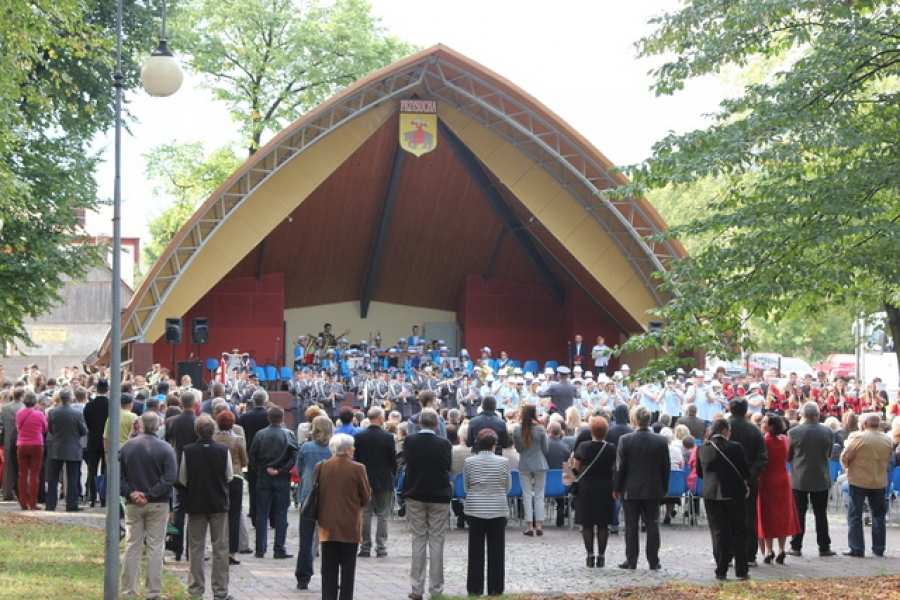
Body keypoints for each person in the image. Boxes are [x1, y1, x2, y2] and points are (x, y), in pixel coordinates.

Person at [120, 412, 177, 600]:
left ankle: (129, 591)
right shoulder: (166, 448)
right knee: (155, 547)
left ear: (141, 425)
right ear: (158, 426)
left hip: (133, 503)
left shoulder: (127, 447)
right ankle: (153, 592)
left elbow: (118, 476)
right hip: (158, 503)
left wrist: (132, 493)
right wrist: (150, 494)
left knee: (132, 546)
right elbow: (169, 478)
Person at [401, 408, 453, 600]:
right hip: (439, 495)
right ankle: (436, 589)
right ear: (437, 425)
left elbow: (407, 462)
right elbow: (447, 466)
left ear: (419, 423)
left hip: (415, 493)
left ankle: (417, 588)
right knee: (437, 540)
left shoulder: (410, 441)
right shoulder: (444, 443)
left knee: (418, 539)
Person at [180, 415, 233, 600]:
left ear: (196, 431)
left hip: (196, 502)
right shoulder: (223, 450)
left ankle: (196, 589)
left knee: (196, 548)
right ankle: (220, 590)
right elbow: (229, 476)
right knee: (221, 548)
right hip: (218, 503)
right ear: (214, 430)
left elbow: (183, 478)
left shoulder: (188, 451)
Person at [612, 405, 669, 570]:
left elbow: (621, 467)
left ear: (634, 420)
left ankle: (631, 560)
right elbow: (665, 467)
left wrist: (617, 487)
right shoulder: (660, 440)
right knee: (652, 524)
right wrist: (665, 487)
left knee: (631, 525)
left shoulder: (626, 440)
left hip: (631, 488)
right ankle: (654, 560)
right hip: (653, 488)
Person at [696, 418, 751, 581]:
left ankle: (721, 569)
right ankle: (741, 569)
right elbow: (745, 472)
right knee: (739, 530)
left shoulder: (702, 448)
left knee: (718, 531)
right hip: (734, 493)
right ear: (725, 430)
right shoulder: (735, 447)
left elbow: (699, 473)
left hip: (711, 493)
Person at [317, 433, 371, 600]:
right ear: (347, 450)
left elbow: (317, 492)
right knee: (348, 568)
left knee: (328, 567)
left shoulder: (321, 466)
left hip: (327, 524)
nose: (354, 449)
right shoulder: (358, 468)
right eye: (352, 447)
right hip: (349, 523)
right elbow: (366, 496)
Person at [464, 428, 511, 597]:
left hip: (475, 507)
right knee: (497, 551)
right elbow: (507, 486)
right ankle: (495, 588)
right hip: (497, 507)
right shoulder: (503, 462)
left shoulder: (470, 462)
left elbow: (466, 486)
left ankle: (474, 588)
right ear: (494, 445)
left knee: (475, 550)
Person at [787, 401, 837, 557]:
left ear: (803, 415)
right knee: (821, 513)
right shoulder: (829, 432)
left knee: (799, 513)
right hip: (821, 477)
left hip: (800, 478)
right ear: (817, 414)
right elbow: (829, 454)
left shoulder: (793, 432)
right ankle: (824, 546)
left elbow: (788, 456)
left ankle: (796, 546)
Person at [840, 413, 893, 557]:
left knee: (855, 515)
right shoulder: (887, 439)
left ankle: (857, 548)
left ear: (864, 424)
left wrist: (848, 468)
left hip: (858, 480)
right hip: (878, 480)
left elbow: (845, 456)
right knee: (878, 515)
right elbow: (888, 458)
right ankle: (879, 547)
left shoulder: (858, 438)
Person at [248, 406, 298, 559]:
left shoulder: (260, 434)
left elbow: (252, 454)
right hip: (281, 477)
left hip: (264, 475)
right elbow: (294, 455)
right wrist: (282, 470)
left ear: (268, 418)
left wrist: (260, 469)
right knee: (281, 513)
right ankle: (279, 548)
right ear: (282, 418)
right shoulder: (288, 434)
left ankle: (260, 548)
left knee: (261, 513)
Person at [726, 397, 768, 566]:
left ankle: (727, 554)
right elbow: (762, 457)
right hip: (749, 480)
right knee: (749, 517)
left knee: (726, 517)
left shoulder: (722, 427)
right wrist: (750, 476)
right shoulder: (754, 430)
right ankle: (749, 555)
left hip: (726, 479)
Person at [294, 416, 334, 590]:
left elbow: (299, 470)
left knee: (306, 539)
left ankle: (303, 577)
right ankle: (330, 577)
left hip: (308, 496)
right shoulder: (335, 449)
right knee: (331, 540)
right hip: (331, 498)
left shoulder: (306, 447)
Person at [354, 406, 398, 559]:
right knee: (382, 514)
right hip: (384, 479)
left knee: (365, 513)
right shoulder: (388, 437)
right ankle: (381, 547)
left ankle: (365, 546)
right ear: (380, 418)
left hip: (365, 479)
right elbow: (393, 460)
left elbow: (357, 459)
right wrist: (392, 473)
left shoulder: (359, 437)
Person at [572, 415, 616, 567]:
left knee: (587, 523)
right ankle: (601, 555)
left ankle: (590, 555)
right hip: (605, 488)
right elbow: (614, 468)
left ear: (591, 430)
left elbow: (575, 469)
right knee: (603, 524)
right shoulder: (611, 449)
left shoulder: (583, 447)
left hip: (586, 488)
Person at [756, 413, 800, 564]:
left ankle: (769, 550)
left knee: (767, 515)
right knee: (782, 515)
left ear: (770, 427)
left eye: (764, 423)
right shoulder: (785, 440)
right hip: (782, 479)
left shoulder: (764, 441)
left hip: (767, 480)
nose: (761, 424)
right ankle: (781, 548)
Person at [164, 390, 199, 561]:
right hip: (194, 471)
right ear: (196, 404)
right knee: (195, 512)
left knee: (178, 510)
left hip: (177, 469)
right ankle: (193, 549)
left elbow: (167, 444)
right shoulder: (198, 422)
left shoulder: (171, 422)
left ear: (181, 404)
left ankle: (177, 548)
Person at [212, 410, 248, 565]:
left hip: (217, 479)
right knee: (234, 516)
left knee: (217, 515)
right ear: (232, 424)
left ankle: (217, 548)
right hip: (235, 477)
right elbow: (245, 461)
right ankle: (232, 552)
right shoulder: (238, 439)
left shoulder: (213, 438)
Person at [45, 388, 88, 512]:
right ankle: (71, 504)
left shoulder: (52, 412)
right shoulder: (77, 414)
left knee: (53, 477)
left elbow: (50, 429)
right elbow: (84, 430)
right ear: (70, 399)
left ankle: (50, 504)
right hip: (73, 447)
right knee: (73, 477)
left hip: (57, 447)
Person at [513, 404, 549, 536]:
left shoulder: (517, 429)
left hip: (524, 464)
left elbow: (518, 449)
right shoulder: (540, 429)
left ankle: (529, 525)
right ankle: (539, 524)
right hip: (539, 463)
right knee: (539, 494)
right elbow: (545, 449)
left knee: (526, 494)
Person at [238, 389, 269, 535]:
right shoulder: (269, 416)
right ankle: (270, 515)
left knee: (253, 486)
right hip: (268, 454)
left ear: (253, 401)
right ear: (265, 401)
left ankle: (254, 512)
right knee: (268, 486)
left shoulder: (245, 417)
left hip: (251, 454)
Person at [15, 391, 47, 510]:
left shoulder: (19, 413)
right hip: (36, 444)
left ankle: (23, 502)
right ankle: (33, 502)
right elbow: (45, 428)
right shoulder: (39, 414)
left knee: (22, 474)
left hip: (22, 444)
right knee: (34, 474)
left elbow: (18, 427)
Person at [1, 387, 24, 501]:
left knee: (8, 468)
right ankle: (22, 492)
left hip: (8, 439)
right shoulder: (24, 407)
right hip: (22, 440)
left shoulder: (5, 408)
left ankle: (7, 492)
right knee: (23, 467)